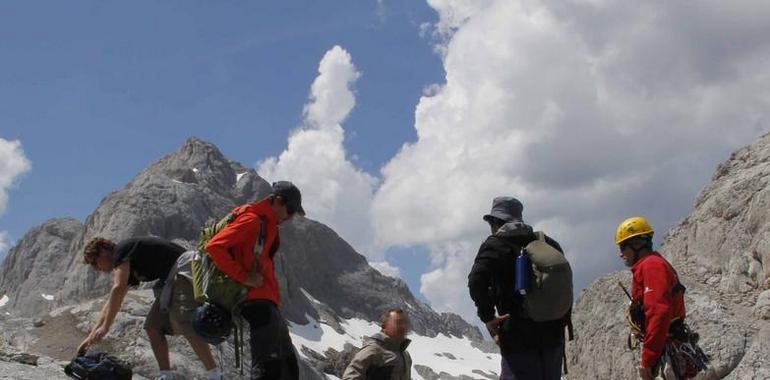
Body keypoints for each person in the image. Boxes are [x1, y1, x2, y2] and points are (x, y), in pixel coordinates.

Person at [77, 236, 220, 380]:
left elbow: (118, 288)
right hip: (171, 279)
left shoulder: (121, 250)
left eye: (94, 263)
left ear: (102, 252)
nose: (96, 269)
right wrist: (91, 336)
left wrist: (106, 327)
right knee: (153, 326)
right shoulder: (128, 262)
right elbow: (112, 301)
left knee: (184, 321)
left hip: (184, 269)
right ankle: (166, 375)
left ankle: (214, 375)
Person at [204, 181, 304, 380]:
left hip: (266, 301)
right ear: (277, 201)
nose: (291, 216)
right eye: (290, 209)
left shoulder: (267, 224)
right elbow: (214, 246)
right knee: (267, 367)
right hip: (256, 301)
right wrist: (244, 277)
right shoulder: (252, 220)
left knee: (287, 367)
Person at [467, 196, 567, 380]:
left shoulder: (495, 245)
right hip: (553, 338)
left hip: (518, 338)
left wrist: (488, 317)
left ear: (496, 222)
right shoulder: (548, 243)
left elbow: (475, 280)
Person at [615, 216, 687, 380]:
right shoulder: (650, 265)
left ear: (636, 245)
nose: (621, 254)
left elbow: (658, 312)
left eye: (622, 247)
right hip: (665, 345)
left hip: (665, 347)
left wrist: (648, 359)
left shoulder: (651, 266)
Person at [342, 308, 412, 380]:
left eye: (404, 323)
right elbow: (351, 376)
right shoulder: (373, 350)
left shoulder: (405, 355)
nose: (403, 327)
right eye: (398, 323)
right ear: (384, 326)